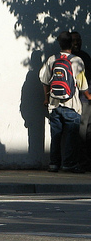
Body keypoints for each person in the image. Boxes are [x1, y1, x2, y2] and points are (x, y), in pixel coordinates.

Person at [40, 31, 91, 173]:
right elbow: (82, 85)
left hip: (54, 105)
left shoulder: (52, 59)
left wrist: (46, 98)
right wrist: (88, 96)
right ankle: (68, 164)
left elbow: (44, 80)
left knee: (56, 136)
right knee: (71, 137)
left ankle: (53, 164)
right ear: (71, 44)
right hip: (71, 105)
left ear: (60, 44)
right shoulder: (77, 61)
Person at [71, 31, 91, 171]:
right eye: (74, 40)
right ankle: (81, 161)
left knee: (85, 132)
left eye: (79, 40)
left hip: (84, 99)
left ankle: (84, 161)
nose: (77, 43)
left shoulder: (83, 57)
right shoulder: (74, 58)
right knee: (81, 132)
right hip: (80, 99)